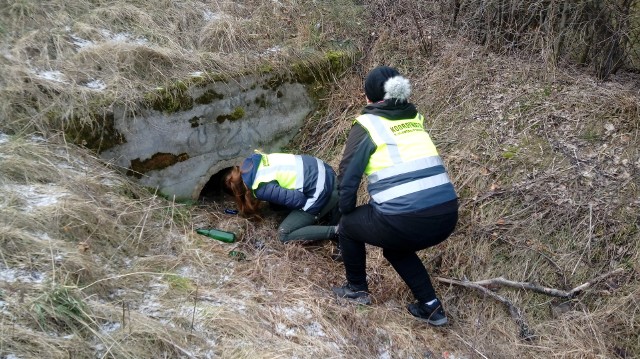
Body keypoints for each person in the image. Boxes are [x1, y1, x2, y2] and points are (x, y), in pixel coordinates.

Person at [331, 66, 459, 327]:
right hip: (446, 215)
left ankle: (356, 290)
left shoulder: (368, 124)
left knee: (348, 227)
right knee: (395, 246)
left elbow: (348, 178)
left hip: (406, 219)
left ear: (369, 97)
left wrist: (346, 213)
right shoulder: (415, 119)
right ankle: (432, 308)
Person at [224, 151, 340, 243]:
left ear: (238, 193)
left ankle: (338, 231)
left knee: (284, 233)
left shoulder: (260, 187)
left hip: (324, 190)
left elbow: (300, 200)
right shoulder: (254, 161)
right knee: (276, 206)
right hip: (324, 170)